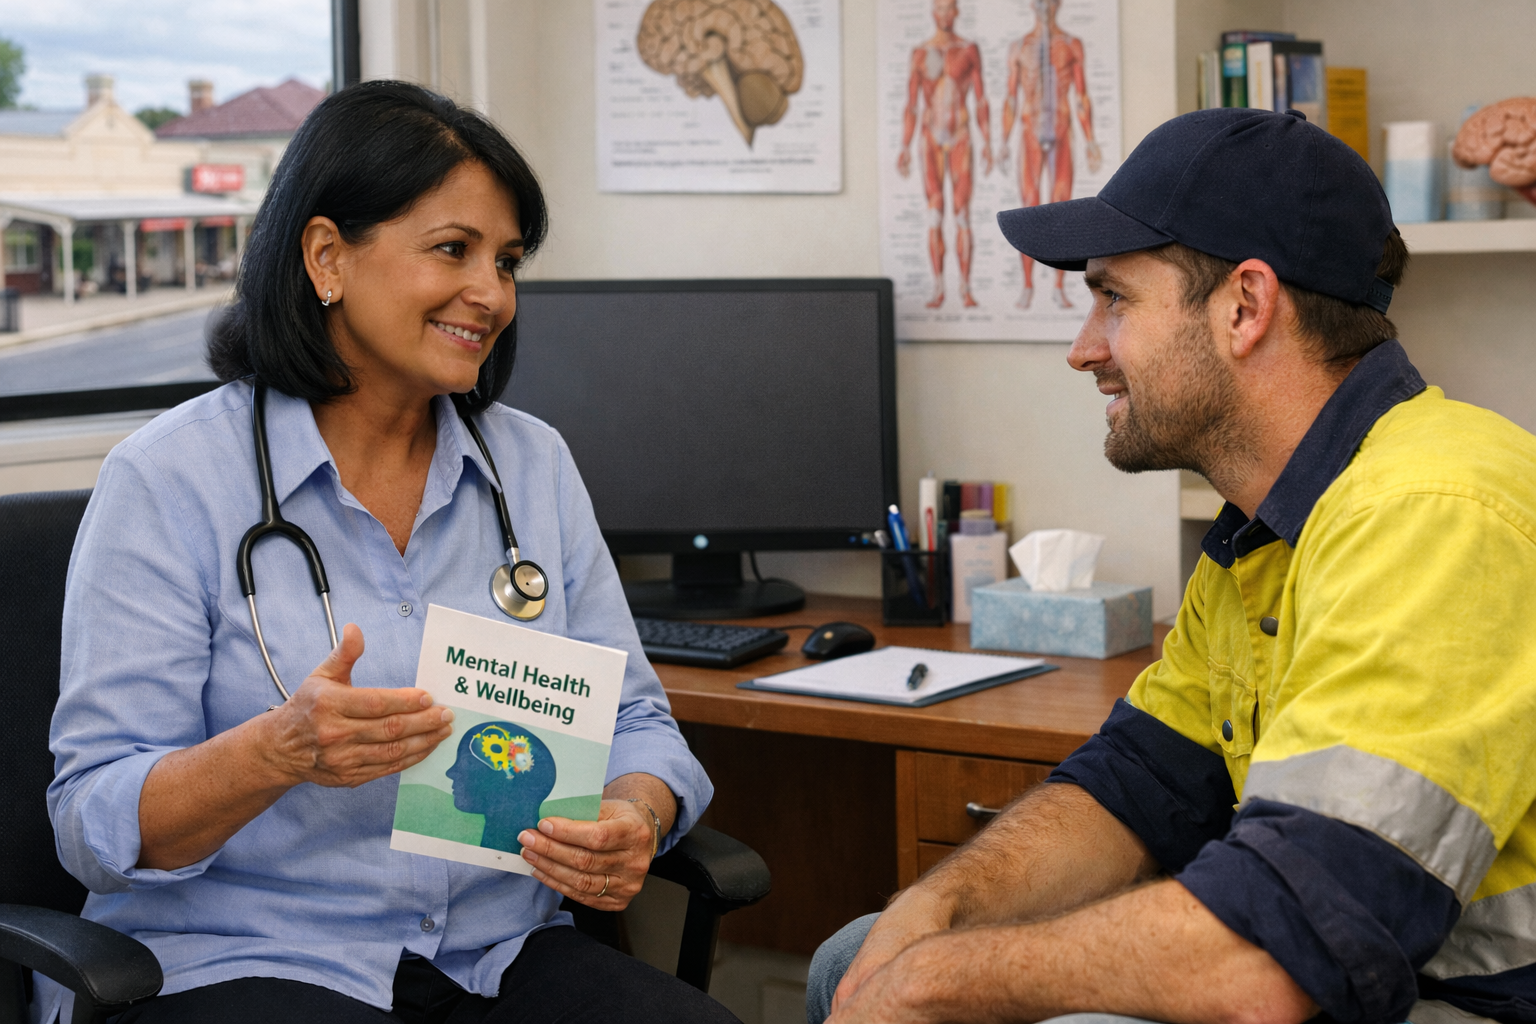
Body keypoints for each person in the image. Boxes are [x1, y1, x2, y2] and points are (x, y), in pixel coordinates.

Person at [807, 108, 1536, 1024]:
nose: (1084, 349)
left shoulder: (1434, 514)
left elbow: (1278, 960)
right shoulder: (1267, 524)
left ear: (1245, 306)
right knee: (859, 957)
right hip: (1351, 969)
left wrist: (933, 978)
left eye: (1114, 299)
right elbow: (1139, 787)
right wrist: (937, 909)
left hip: (1476, 1001)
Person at [45, 81, 737, 1024]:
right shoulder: (170, 481)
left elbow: (638, 720)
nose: (491, 295)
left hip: (494, 954)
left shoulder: (530, 464)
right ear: (327, 257)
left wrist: (635, 815)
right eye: (452, 251)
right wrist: (274, 752)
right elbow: (91, 820)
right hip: (244, 956)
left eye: (508, 260)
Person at [998, 0, 1102, 310]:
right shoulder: (1019, 47)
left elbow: (1081, 95)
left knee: (1061, 209)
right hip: (1029, 131)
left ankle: (1058, 285)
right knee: (1028, 208)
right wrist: (1003, 139)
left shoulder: (1071, 44)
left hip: (1060, 130)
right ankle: (1028, 285)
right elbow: (1010, 97)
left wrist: (1091, 140)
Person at [897, 0, 993, 309]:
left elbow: (981, 100)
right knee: (935, 213)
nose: (945, 14)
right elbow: (911, 105)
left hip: (961, 136)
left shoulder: (968, 50)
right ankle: (939, 287)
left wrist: (989, 141)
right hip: (930, 141)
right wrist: (904, 146)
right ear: (932, 12)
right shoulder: (920, 53)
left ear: (957, 12)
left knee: (962, 213)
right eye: (940, 8)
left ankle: (965, 288)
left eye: (949, 8)